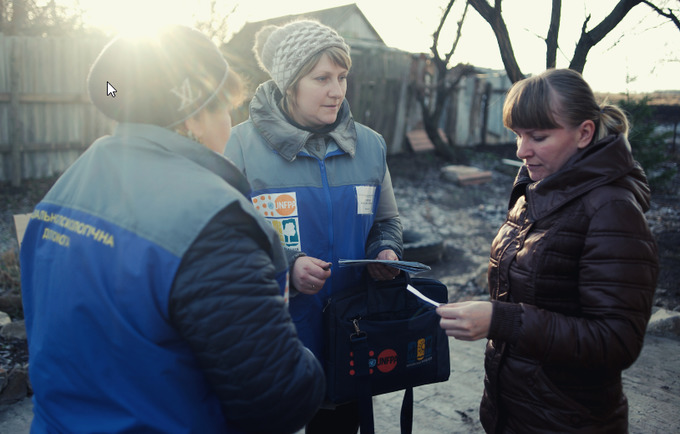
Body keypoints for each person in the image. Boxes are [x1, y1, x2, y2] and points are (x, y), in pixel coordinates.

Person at [20, 25, 325, 433]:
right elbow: (279, 398)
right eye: (225, 106)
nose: (230, 122)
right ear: (196, 116)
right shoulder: (214, 223)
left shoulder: (70, 185)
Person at [437, 68, 658, 432]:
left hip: (569, 421)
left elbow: (617, 340)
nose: (522, 151)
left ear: (584, 132)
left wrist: (500, 319)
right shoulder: (536, 191)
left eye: (538, 137)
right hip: (515, 413)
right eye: (518, 135)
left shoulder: (612, 211)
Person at [224, 20, 403, 433]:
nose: (337, 90)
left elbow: (386, 220)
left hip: (351, 337)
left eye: (342, 77)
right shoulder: (240, 147)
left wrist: (386, 251)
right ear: (289, 83)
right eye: (322, 78)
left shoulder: (370, 146)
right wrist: (286, 264)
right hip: (274, 338)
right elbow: (226, 239)